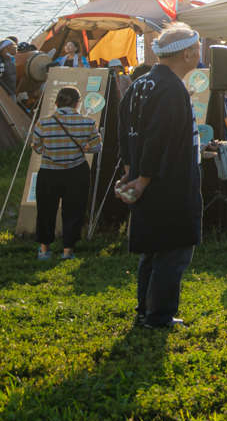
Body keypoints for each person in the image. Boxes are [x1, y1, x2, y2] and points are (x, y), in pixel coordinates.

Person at [117, 24, 209, 329]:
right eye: (197, 49)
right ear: (187, 53)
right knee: (173, 249)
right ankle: (160, 316)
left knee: (153, 249)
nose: (199, 54)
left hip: (146, 179)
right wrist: (142, 179)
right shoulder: (171, 89)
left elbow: (124, 131)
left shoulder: (140, 83)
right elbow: (159, 138)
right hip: (169, 181)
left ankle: (146, 310)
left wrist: (131, 172)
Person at [29, 85, 99, 261]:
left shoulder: (43, 123)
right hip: (77, 172)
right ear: (77, 103)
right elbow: (96, 147)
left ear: (56, 102)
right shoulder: (88, 123)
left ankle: (44, 249)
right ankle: (68, 251)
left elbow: (37, 148)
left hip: (49, 171)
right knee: (74, 211)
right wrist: (85, 147)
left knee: (46, 211)